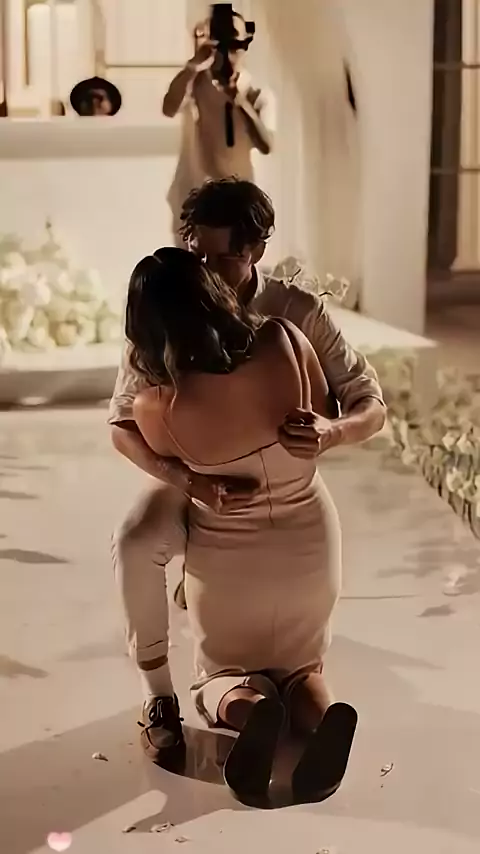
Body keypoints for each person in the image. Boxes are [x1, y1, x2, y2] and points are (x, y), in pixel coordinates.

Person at [109, 178, 385, 770]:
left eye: (222, 258)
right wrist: (190, 481)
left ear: (256, 251)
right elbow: (122, 425)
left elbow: (370, 403)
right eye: (196, 253)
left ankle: (252, 693)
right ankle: (158, 698)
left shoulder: (295, 312)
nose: (205, 270)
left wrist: (331, 431)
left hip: (282, 480)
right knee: (134, 539)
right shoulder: (169, 309)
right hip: (190, 473)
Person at [162, 11, 275, 246]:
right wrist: (193, 65)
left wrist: (239, 101)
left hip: (238, 202)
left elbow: (266, 144)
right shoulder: (196, 84)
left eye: (234, 45)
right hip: (195, 195)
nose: (227, 54)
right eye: (220, 43)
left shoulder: (256, 92)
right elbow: (169, 108)